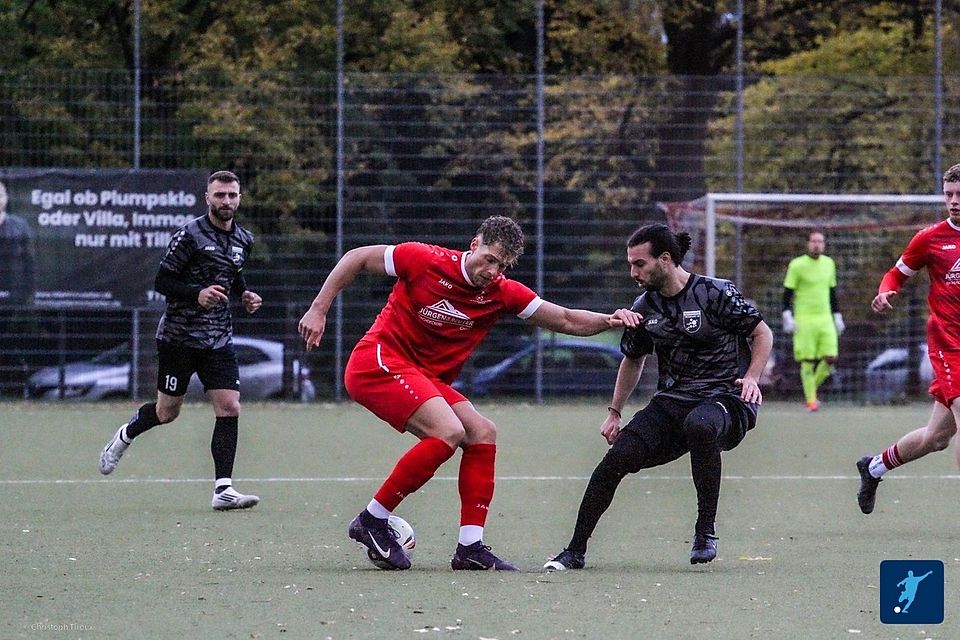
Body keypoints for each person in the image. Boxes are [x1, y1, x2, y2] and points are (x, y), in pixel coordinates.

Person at [297, 215, 641, 571]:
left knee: (482, 432)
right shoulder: (423, 259)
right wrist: (319, 308)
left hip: (424, 377)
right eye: (490, 259)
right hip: (378, 361)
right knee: (449, 430)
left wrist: (608, 320)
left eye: (502, 266)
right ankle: (372, 520)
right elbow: (356, 256)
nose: (493, 271)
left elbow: (566, 319)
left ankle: (469, 548)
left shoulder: (501, 292)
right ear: (474, 244)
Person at [543, 223, 773, 571]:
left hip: (726, 398)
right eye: (630, 264)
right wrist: (614, 411)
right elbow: (633, 360)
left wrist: (753, 377)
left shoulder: (714, 293)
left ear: (665, 260)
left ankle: (705, 531)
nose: (633, 272)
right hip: (672, 403)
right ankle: (574, 551)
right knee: (616, 460)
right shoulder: (645, 307)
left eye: (640, 264)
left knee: (701, 425)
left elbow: (761, 331)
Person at [98, 170, 263, 511]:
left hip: (218, 338)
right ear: (208, 197)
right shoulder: (190, 235)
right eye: (220, 195)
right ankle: (126, 434)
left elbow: (232, 273)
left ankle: (223, 489)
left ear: (239, 198)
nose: (226, 201)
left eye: (232, 195)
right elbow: (163, 281)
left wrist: (244, 294)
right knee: (167, 411)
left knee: (229, 406)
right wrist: (196, 294)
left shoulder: (244, 239)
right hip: (179, 337)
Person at [856, 163, 960, 515]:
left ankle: (874, 468)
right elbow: (895, 274)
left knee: (937, 438)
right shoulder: (930, 238)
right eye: (949, 195)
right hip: (949, 345)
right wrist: (885, 292)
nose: (955, 201)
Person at [781, 230, 844, 411]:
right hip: (805, 319)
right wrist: (787, 314)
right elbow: (787, 293)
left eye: (820, 241)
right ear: (808, 244)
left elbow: (832, 293)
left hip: (825, 318)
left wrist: (837, 315)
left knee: (831, 357)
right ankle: (811, 402)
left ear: (824, 245)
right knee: (807, 361)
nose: (817, 244)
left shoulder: (829, 264)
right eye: (814, 241)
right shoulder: (797, 265)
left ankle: (811, 391)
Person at [0, 180, 36, 305]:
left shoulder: (20, 226)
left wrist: (29, 293)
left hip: (14, 296)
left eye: (1, 195)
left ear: (6, 198)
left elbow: (30, 261)